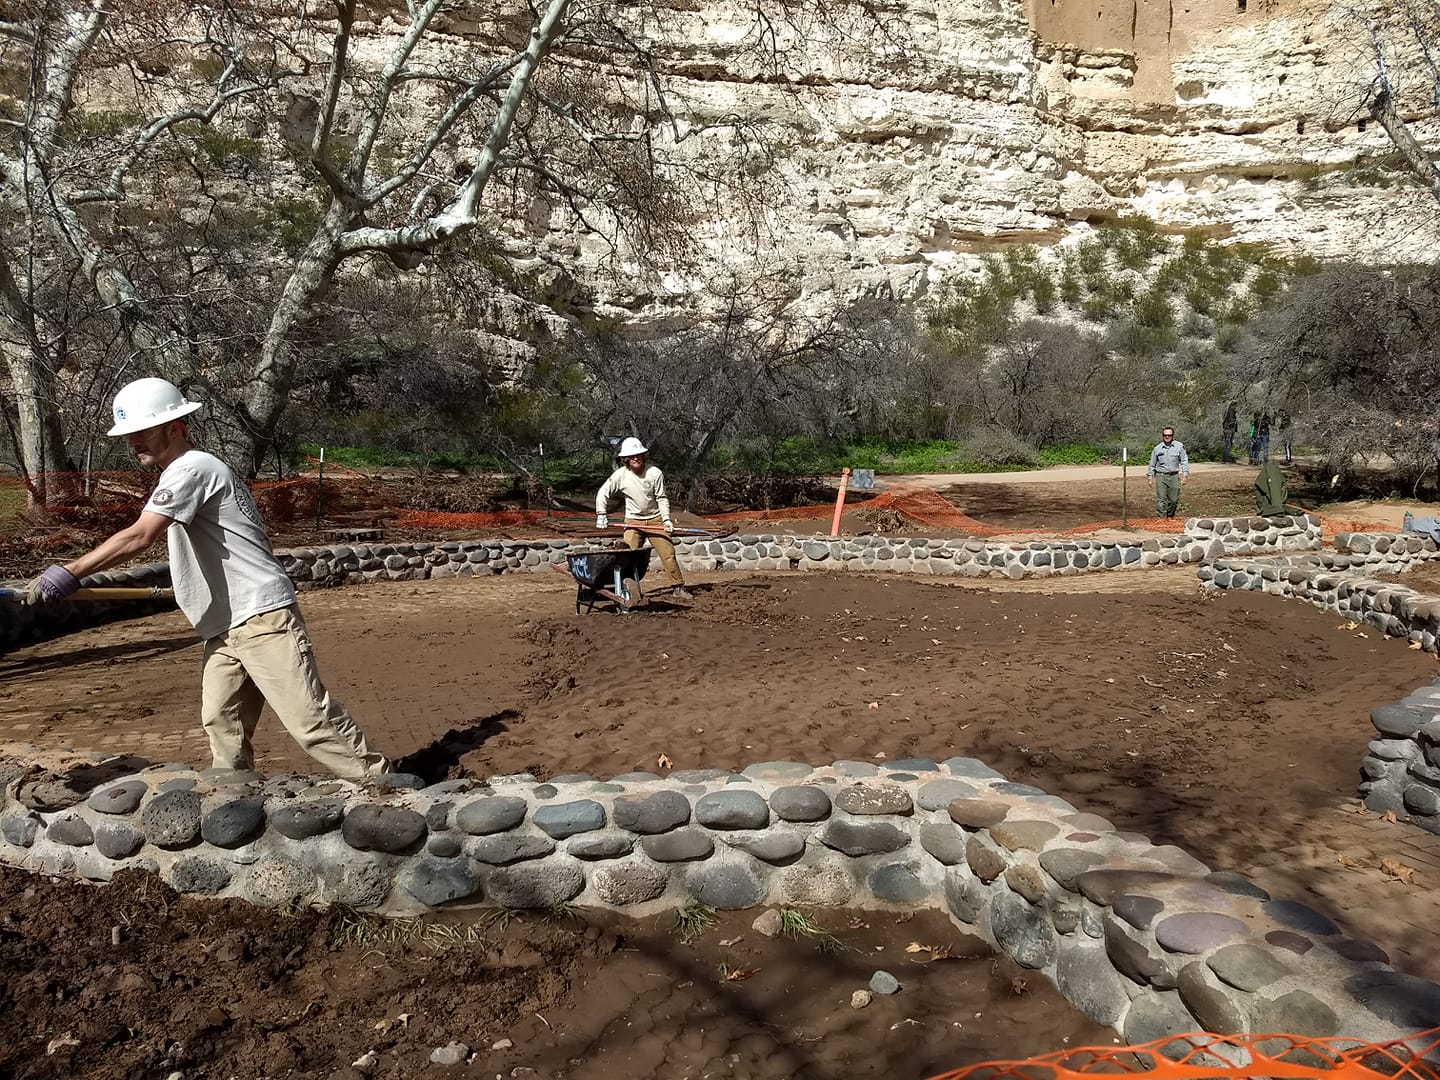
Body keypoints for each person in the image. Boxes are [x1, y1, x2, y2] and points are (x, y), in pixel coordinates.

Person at [23, 378, 392, 779]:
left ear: (174, 426)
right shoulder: (185, 472)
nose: (134, 443)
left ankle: (385, 786)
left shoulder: (193, 467)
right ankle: (234, 799)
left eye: (141, 431)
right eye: (130, 435)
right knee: (221, 721)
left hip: (260, 617)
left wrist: (69, 573)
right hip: (225, 625)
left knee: (310, 721)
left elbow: (140, 535)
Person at [595, 437, 692, 600]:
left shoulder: (655, 473)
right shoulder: (620, 475)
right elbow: (603, 493)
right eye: (632, 456)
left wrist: (666, 519)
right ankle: (625, 589)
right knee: (626, 555)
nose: (635, 458)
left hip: (655, 519)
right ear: (625, 459)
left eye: (638, 454)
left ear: (643, 455)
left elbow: (661, 497)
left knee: (668, 553)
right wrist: (601, 514)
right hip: (633, 521)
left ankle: (678, 587)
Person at [1146, 426, 1190, 519]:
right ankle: (1161, 518)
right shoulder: (1157, 448)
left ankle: (1170, 516)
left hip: (1174, 476)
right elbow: (1152, 464)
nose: (1167, 437)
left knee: (1173, 500)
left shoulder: (1179, 447)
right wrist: (1150, 478)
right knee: (1161, 499)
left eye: (1169, 435)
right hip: (1161, 476)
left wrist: (1185, 475)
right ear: (1162, 436)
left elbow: (1184, 461)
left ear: (1172, 436)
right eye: (1165, 435)